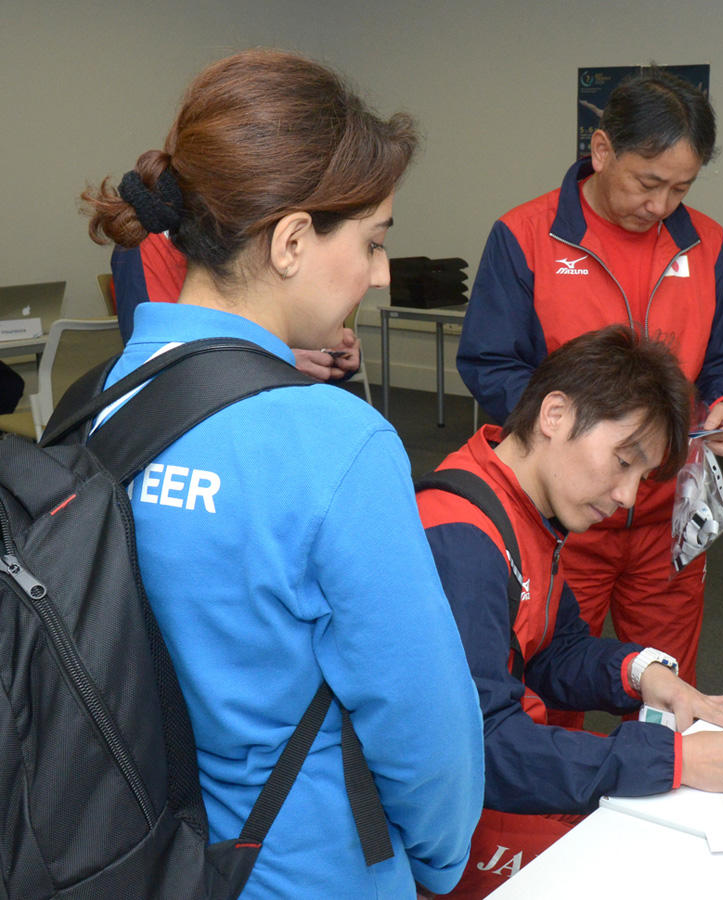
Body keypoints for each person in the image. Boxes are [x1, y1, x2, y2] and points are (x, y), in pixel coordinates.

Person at [81, 49, 483, 899]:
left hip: (122, 851)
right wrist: (441, 861)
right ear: (293, 240)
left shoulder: (93, 405)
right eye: (373, 241)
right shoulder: (335, 442)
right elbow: (423, 723)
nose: (379, 274)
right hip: (301, 869)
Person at [418, 326, 723, 898]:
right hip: (447, 822)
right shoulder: (463, 538)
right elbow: (481, 748)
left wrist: (644, 675)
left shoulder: (524, 506)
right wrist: (674, 760)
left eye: (643, 477)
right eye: (623, 461)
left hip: (482, 784)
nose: (628, 497)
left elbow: (551, 649)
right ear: (555, 414)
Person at [457, 67, 723, 697]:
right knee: (546, 685)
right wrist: (578, 435)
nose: (661, 206)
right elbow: (489, 363)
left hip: (668, 517)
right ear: (600, 151)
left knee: (669, 688)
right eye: (648, 183)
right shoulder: (527, 236)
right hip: (566, 517)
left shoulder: (706, 244)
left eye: (681, 188)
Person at [110, 232, 363, 383]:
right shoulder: (147, 244)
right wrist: (271, 359)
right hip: (197, 412)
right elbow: (156, 364)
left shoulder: (265, 234)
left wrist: (331, 355)